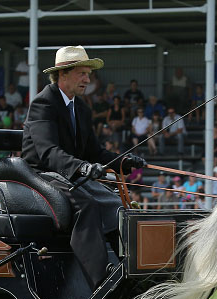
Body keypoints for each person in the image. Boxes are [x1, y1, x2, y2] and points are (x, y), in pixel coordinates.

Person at [21, 45, 145, 286]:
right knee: (86, 205)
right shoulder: (43, 104)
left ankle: (129, 269)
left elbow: (94, 152)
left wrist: (123, 161)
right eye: (82, 73)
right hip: (40, 175)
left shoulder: (82, 109)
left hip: (69, 175)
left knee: (117, 205)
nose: (88, 79)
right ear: (63, 74)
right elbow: (49, 153)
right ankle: (99, 278)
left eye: (89, 74)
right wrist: (83, 168)